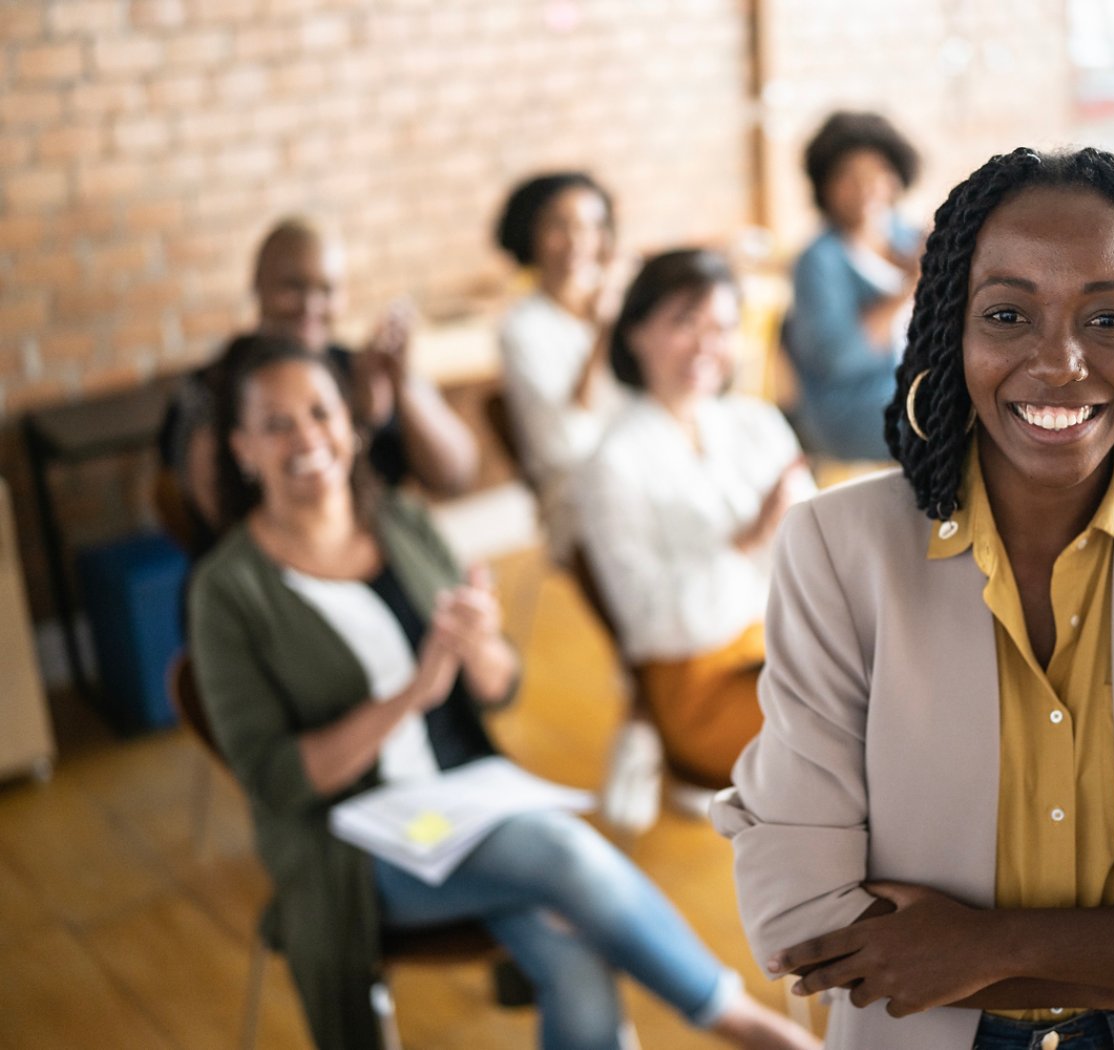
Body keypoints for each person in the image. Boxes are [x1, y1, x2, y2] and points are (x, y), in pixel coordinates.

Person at [713, 146, 1114, 1049]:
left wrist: (990, 949)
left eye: (1107, 318)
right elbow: (797, 916)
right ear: (952, 331)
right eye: (1009, 314)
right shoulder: (838, 551)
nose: (1059, 363)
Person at [188, 334, 819, 1050]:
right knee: (561, 853)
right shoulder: (225, 592)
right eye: (276, 424)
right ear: (242, 448)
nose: (306, 437)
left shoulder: (400, 521)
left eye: (320, 412)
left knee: (574, 954)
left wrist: (478, 645)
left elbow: (499, 686)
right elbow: (276, 780)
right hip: (352, 844)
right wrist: (408, 698)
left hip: (466, 801)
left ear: (352, 421)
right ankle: (744, 1024)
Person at [575, 249, 815, 790]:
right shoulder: (612, 463)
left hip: (794, 652)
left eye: (723, 328)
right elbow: (652, 621)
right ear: (635, 332)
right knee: (886, 730)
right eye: (686, 323)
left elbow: (818, 565)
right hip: (701, 684)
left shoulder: (756, 422)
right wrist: (750, 541)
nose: (708, 346)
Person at [158, 216, 478, 557]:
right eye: (292, 287)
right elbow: (229, 517)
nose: (310, 307)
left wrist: (402, 386)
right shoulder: (213, 388)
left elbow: (455, 476)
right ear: (257, 286)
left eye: (327, 290)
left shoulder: (360, 368)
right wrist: (359, 422)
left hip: (375, 562)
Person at [495, 173, 630, 561]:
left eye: (591, 226)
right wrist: (604, 332)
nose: (577, 241)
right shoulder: (522, 329)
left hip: (639, 456)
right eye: (559, 226)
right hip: (578, 490)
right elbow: (564, 443)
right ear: (529, 234)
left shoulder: (622, 292)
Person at [783, 110, 923, 461]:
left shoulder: (910, 238)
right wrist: (909, 289)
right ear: (824, 189)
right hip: (850, 411)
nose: (864, 189)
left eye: (876, 173)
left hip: (917, 390)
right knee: (954, 427)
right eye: (847, 177)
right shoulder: (818, 260)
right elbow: (837, 358)